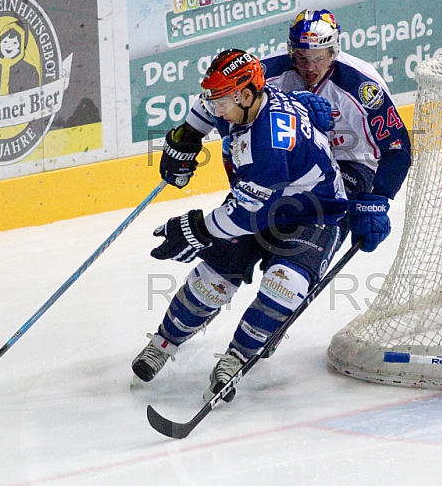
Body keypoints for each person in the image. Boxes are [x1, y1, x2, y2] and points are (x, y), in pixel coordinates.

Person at [132, 49, 348, 402]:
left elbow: (247, 216)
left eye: (222, 102)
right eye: (215, 100)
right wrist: (188, 135)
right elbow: (207, 108)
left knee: (285, 284)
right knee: (211, 280)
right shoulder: (241, 103)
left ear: (246, 95)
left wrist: (197, 228)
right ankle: (163, 343)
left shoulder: (271, 142)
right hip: (265, 202)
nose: (217, 110)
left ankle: (235, 359)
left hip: (312, 214)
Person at [174, 9, 412, 254]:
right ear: (291, 51)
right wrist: (189, 136)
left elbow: (398, 147)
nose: (309, 67)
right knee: (234, 246)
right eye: (301, 57)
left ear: (334, 51)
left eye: (318, 58)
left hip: (349, 164)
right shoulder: (269, 71)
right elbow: (221, 93)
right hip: (291, 158)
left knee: (308, 243)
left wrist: (378, 198)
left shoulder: (362, 87)